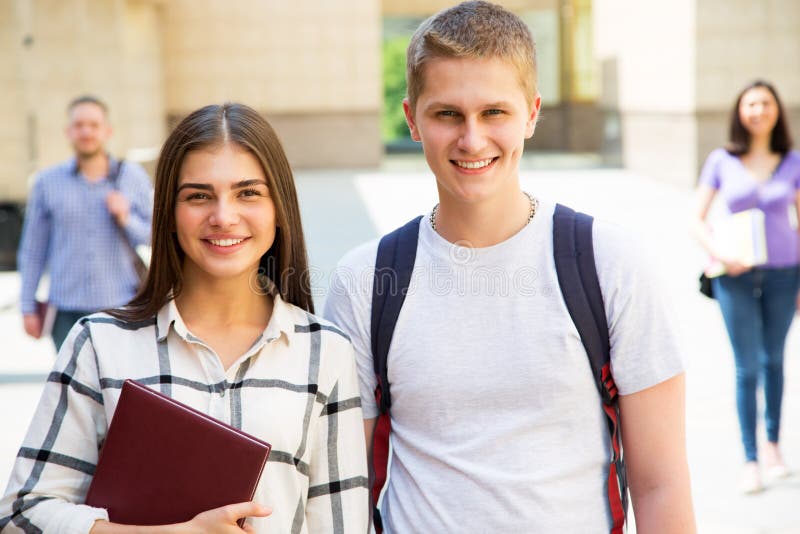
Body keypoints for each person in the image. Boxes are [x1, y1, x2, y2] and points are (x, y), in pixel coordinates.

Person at [324, 2, 696, 533]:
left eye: (494, 112)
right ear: (411, 119)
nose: (471, 140)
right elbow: (344, 491)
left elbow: (661, 484)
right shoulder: (366, 280)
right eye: (447, 113)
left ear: (532, 113)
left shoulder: (611, 264)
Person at [0, 103, 369, 533]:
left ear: (279, 208)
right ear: (170, 215)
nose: (223, 216)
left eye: (248, 192)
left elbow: (342, 526)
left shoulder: (325, 352)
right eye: (198, 195)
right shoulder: (99, 345)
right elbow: (22, 515)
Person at [693, 80, 800, 494]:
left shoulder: (791, 161)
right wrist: (719, 251)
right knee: (747, 367)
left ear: (777, 111)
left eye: (766, 103)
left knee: (774, 360)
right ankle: (750, 459)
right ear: (740, 111)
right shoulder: (722, 159)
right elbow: (695, 219)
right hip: (733, 275)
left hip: (784, 273)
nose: (758, 110)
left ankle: (773, 447)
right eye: (751, 103)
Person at [18, 95, 154, 351]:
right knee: (72, 390)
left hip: (121, 307)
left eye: (93, 125)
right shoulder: (47, 182)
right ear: (68, 132)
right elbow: (33, 250)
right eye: (79, 125)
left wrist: (127, 218)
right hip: (67, 312)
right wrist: (27, 307)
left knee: (119, 388)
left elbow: (154, 238)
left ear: (107, 131)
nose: (86, 131)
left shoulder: (132, 177)